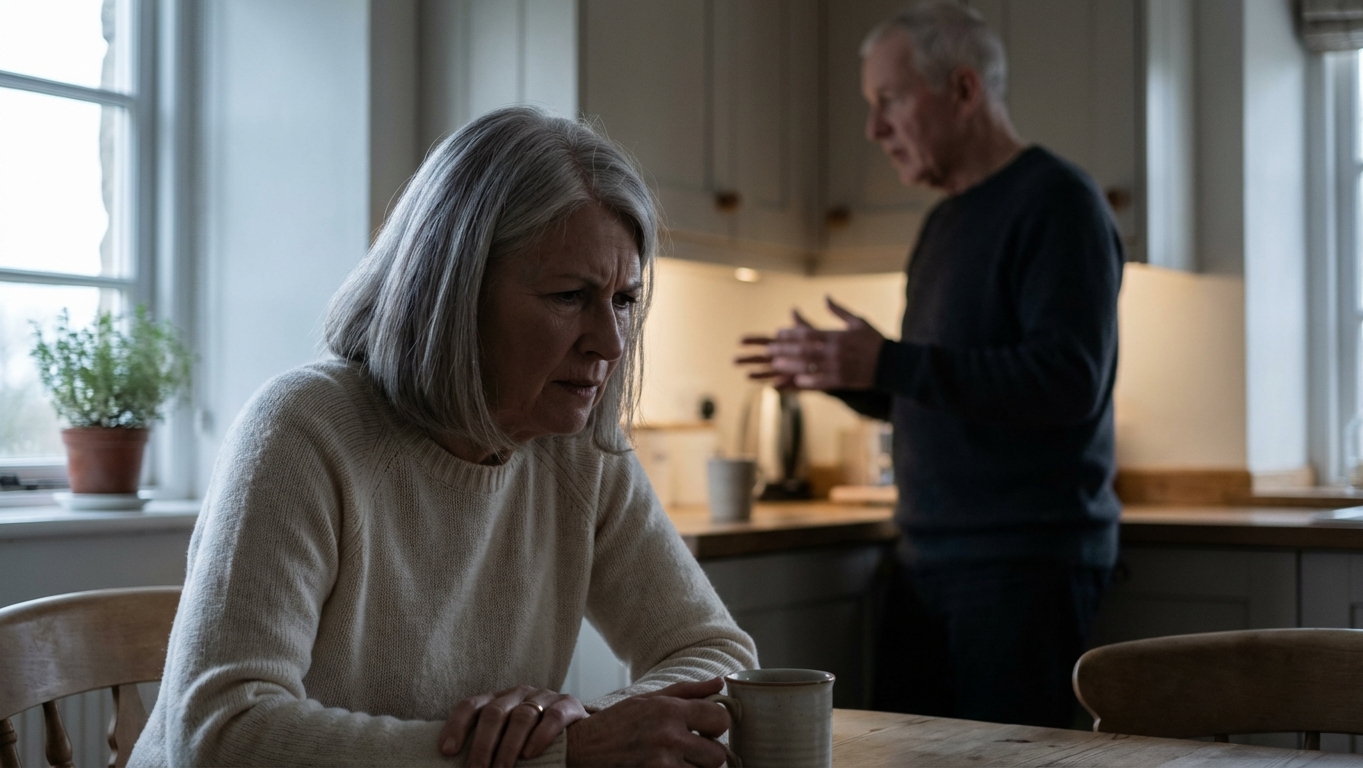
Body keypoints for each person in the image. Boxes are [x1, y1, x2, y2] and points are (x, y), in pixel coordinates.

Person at [130, 105, 757, 768]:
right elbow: (223, 735)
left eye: (624, 300)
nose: (609, 341)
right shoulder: (301, 432)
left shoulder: (576, 450)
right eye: (570, 296)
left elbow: (716, 651)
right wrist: (557, 756)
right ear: (454, 292)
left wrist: (586, 729)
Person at [738, 1, 1121, 728]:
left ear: (964, 90)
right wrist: (852, 373)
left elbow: (1066, 382)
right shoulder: (943, 221)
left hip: (1024, 565)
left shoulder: (1058, 202)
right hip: (927, 557)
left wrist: (887, 360)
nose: (874, 129)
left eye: (890, 100)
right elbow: (937, 391)